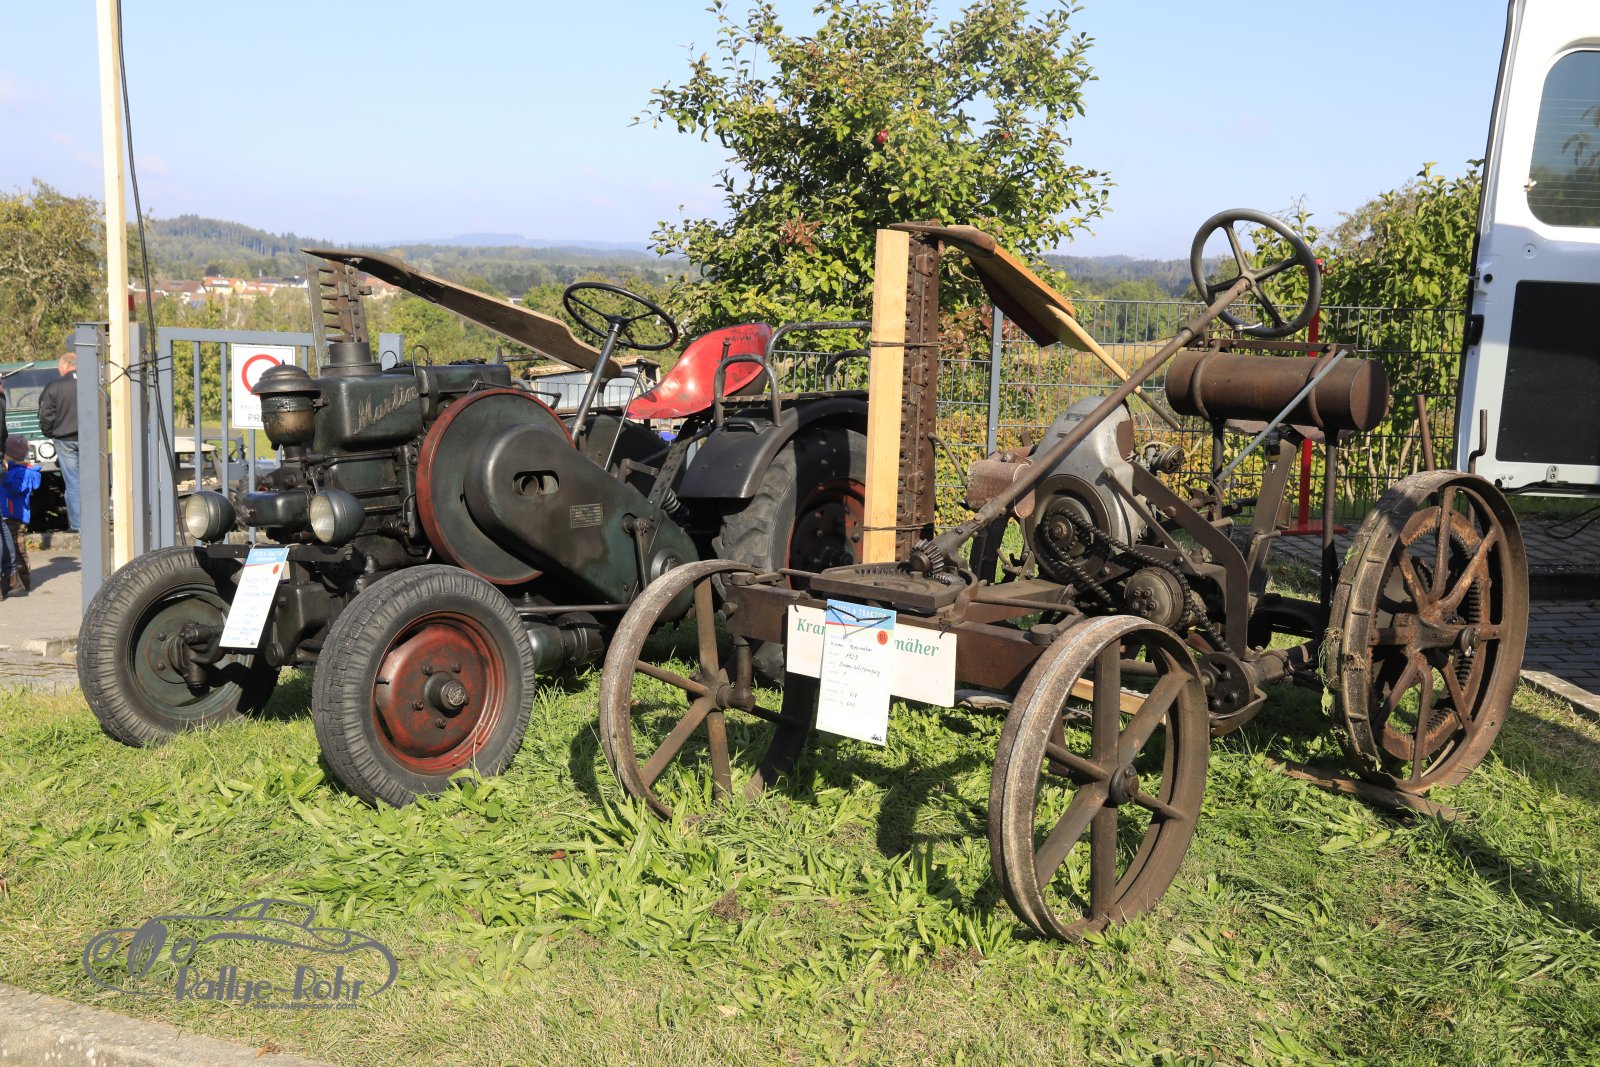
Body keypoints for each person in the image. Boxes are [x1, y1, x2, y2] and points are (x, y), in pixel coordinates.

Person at [38, 336, 78, 533]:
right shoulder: (94, 383)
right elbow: (108, 410)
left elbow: (45, 415)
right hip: (92, 440)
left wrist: (51, 433)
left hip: (65, 440)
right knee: (95, 481)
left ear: (64, 366)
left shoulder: (54, 387)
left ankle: (78, 526)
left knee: (73, 483)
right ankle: (98, 523)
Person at [0, 435, 38, 596]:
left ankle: (23, 580)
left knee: (18, 549)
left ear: (12, 455)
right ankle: (13, 581)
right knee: (12, 549)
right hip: (8, 515)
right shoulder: (13, 469)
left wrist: (5, 478)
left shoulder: (24, 473)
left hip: (16, 517)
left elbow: (17, 488)